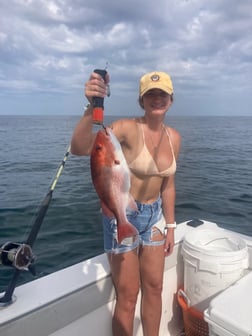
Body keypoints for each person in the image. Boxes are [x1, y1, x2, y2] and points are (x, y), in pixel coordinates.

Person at [71, 70, 181, 336]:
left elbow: (168, 185)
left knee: (154, 289)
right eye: (150, 95)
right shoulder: (125, 128)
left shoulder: (174, 138)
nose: (157, 99)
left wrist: (171, 225)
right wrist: (91, 107)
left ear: (171, 99)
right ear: (141, 100)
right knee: (128, 295)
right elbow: (80, 148)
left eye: (162, 94)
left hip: (154, 218)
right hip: (121, 217)